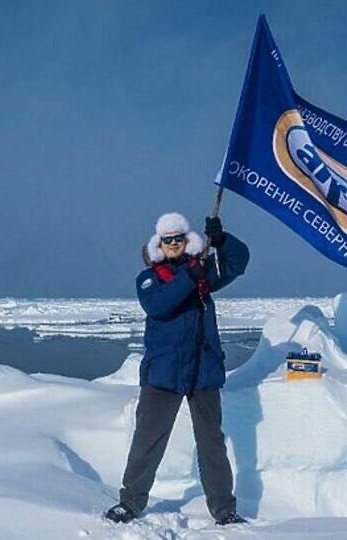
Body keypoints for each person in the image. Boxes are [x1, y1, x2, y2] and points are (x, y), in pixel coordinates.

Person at [105, 212, 250, 525]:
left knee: (212, 441)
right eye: (167, 239)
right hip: (164, 373)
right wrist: (191, 274)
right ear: (159, 243)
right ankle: (130, 502)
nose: (173, 243)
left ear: (186, 240)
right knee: (148, 439)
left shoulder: (202, 274)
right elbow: (160, 305)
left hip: (203, 370)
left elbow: (239, 262)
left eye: (178, 238)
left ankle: (224, 508)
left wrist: (223, 241)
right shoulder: (149, 279)